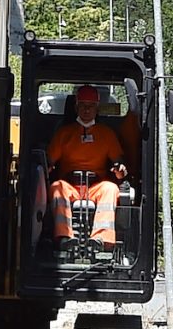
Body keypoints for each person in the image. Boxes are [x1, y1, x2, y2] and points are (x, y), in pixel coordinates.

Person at [46, 84, 128, 246]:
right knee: (57, 187)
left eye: (90, 106)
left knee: (110, 188)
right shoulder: (64, 133)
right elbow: (49, 162)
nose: (86, 110)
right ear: (76, 107)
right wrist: (46, 168)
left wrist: (120, 170)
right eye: (83, 106)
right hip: (70, 186)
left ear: (97, 108)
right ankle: (64, 237)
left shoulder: (107, 134)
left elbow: (120, 164)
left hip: (95, 187)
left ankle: (101, 239)